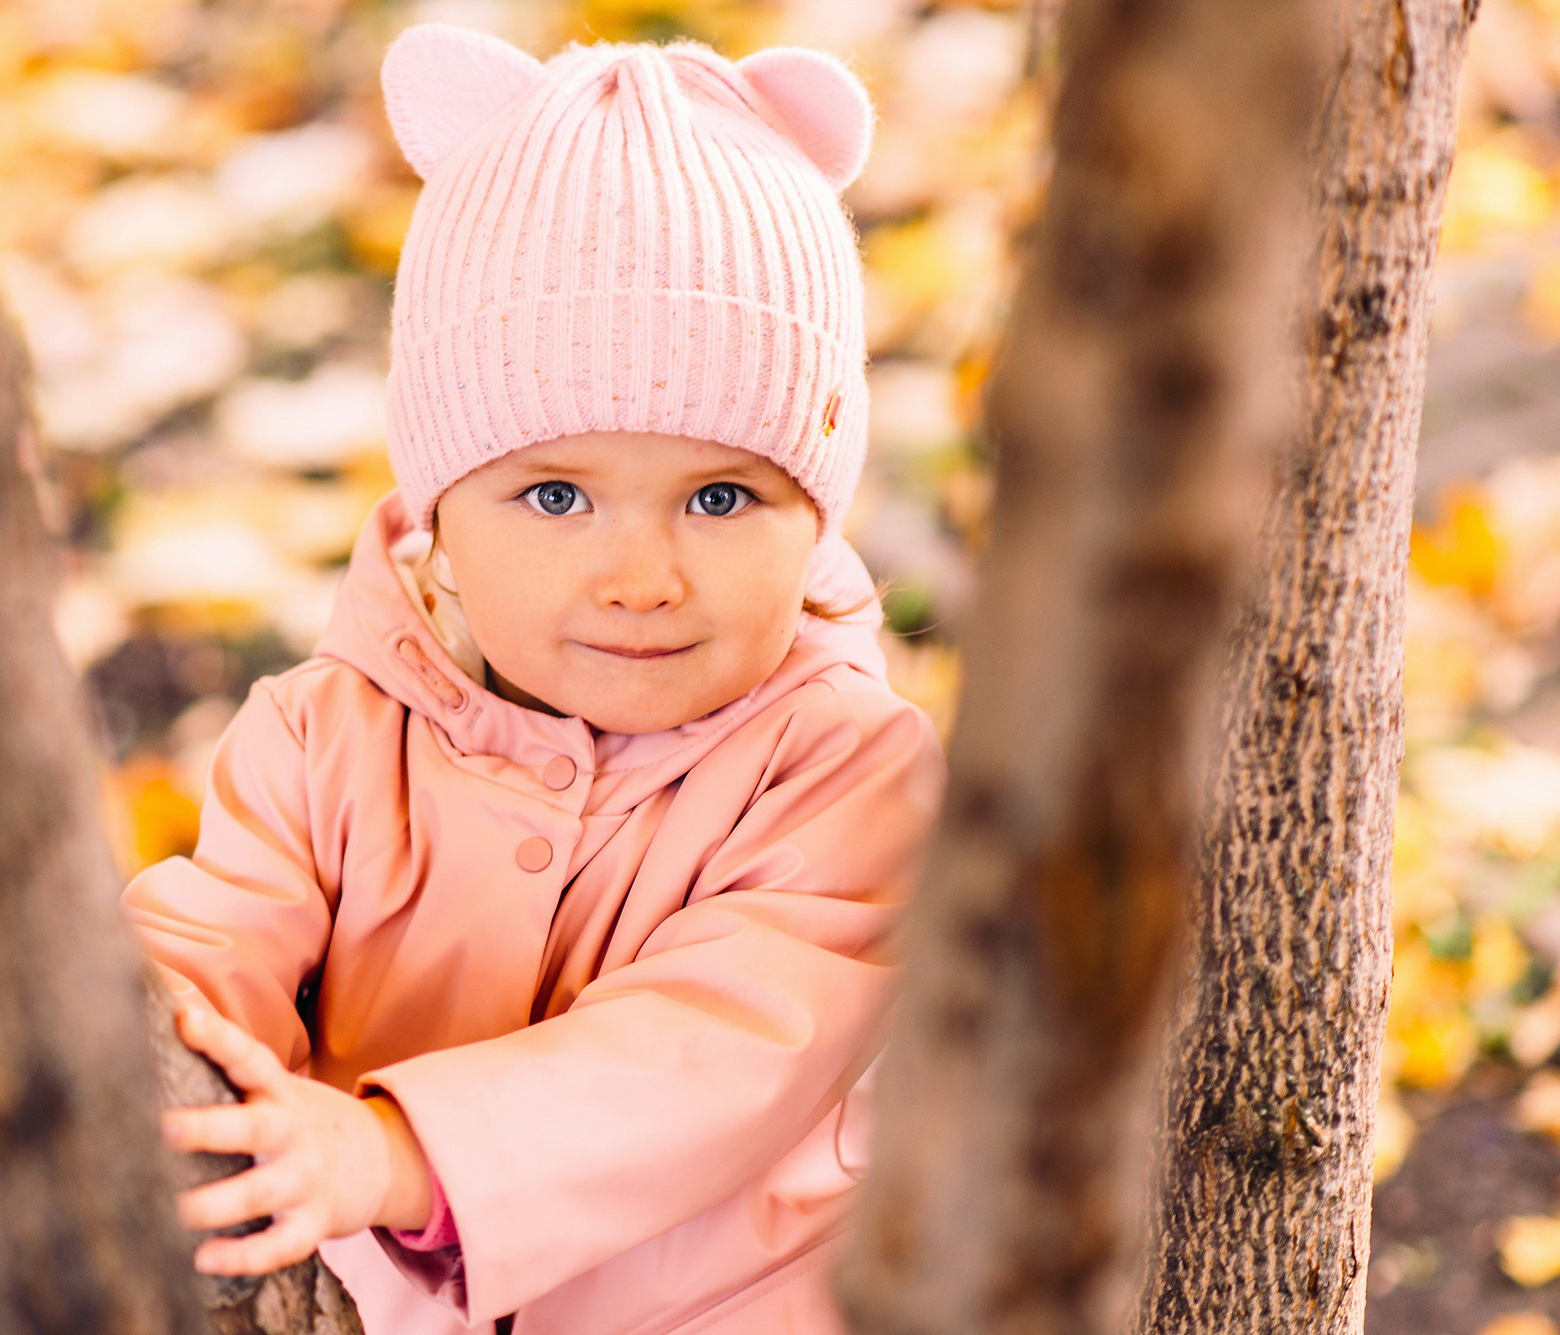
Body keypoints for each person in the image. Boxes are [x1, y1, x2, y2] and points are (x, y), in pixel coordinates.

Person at [121, 23, 945, 1335]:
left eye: (721, 495)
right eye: (555, 495)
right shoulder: (323, 735)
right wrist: (142, 1015)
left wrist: (397, 1155)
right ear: (439, 510)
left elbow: (715, 1047)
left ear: (821, 516)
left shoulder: (849, 772)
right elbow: (218, 934)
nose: (641, 577)